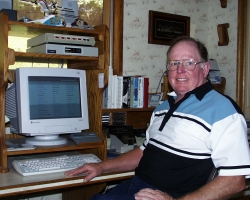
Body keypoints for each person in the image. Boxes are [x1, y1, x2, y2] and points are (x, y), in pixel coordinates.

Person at [65, 36, 250, 200]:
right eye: (174, 63)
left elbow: (235, 180)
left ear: (205, 68)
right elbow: (144, 152)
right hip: (136, 185)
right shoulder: (162, 107)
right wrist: (102, 167)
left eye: (189, 62)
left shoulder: (224, 111)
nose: (180, 70)